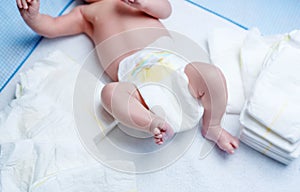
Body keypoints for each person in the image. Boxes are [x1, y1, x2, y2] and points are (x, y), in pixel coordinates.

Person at [17, 0, 239, 154]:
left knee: (211, 75)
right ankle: (151, 122)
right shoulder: (85, 15)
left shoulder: (133, 2)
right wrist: (33, 17)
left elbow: (165, 9)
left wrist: (144, 3)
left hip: (175, 71)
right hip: (137, 88)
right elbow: (52, 27)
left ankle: (213, 125)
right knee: (109, 93)